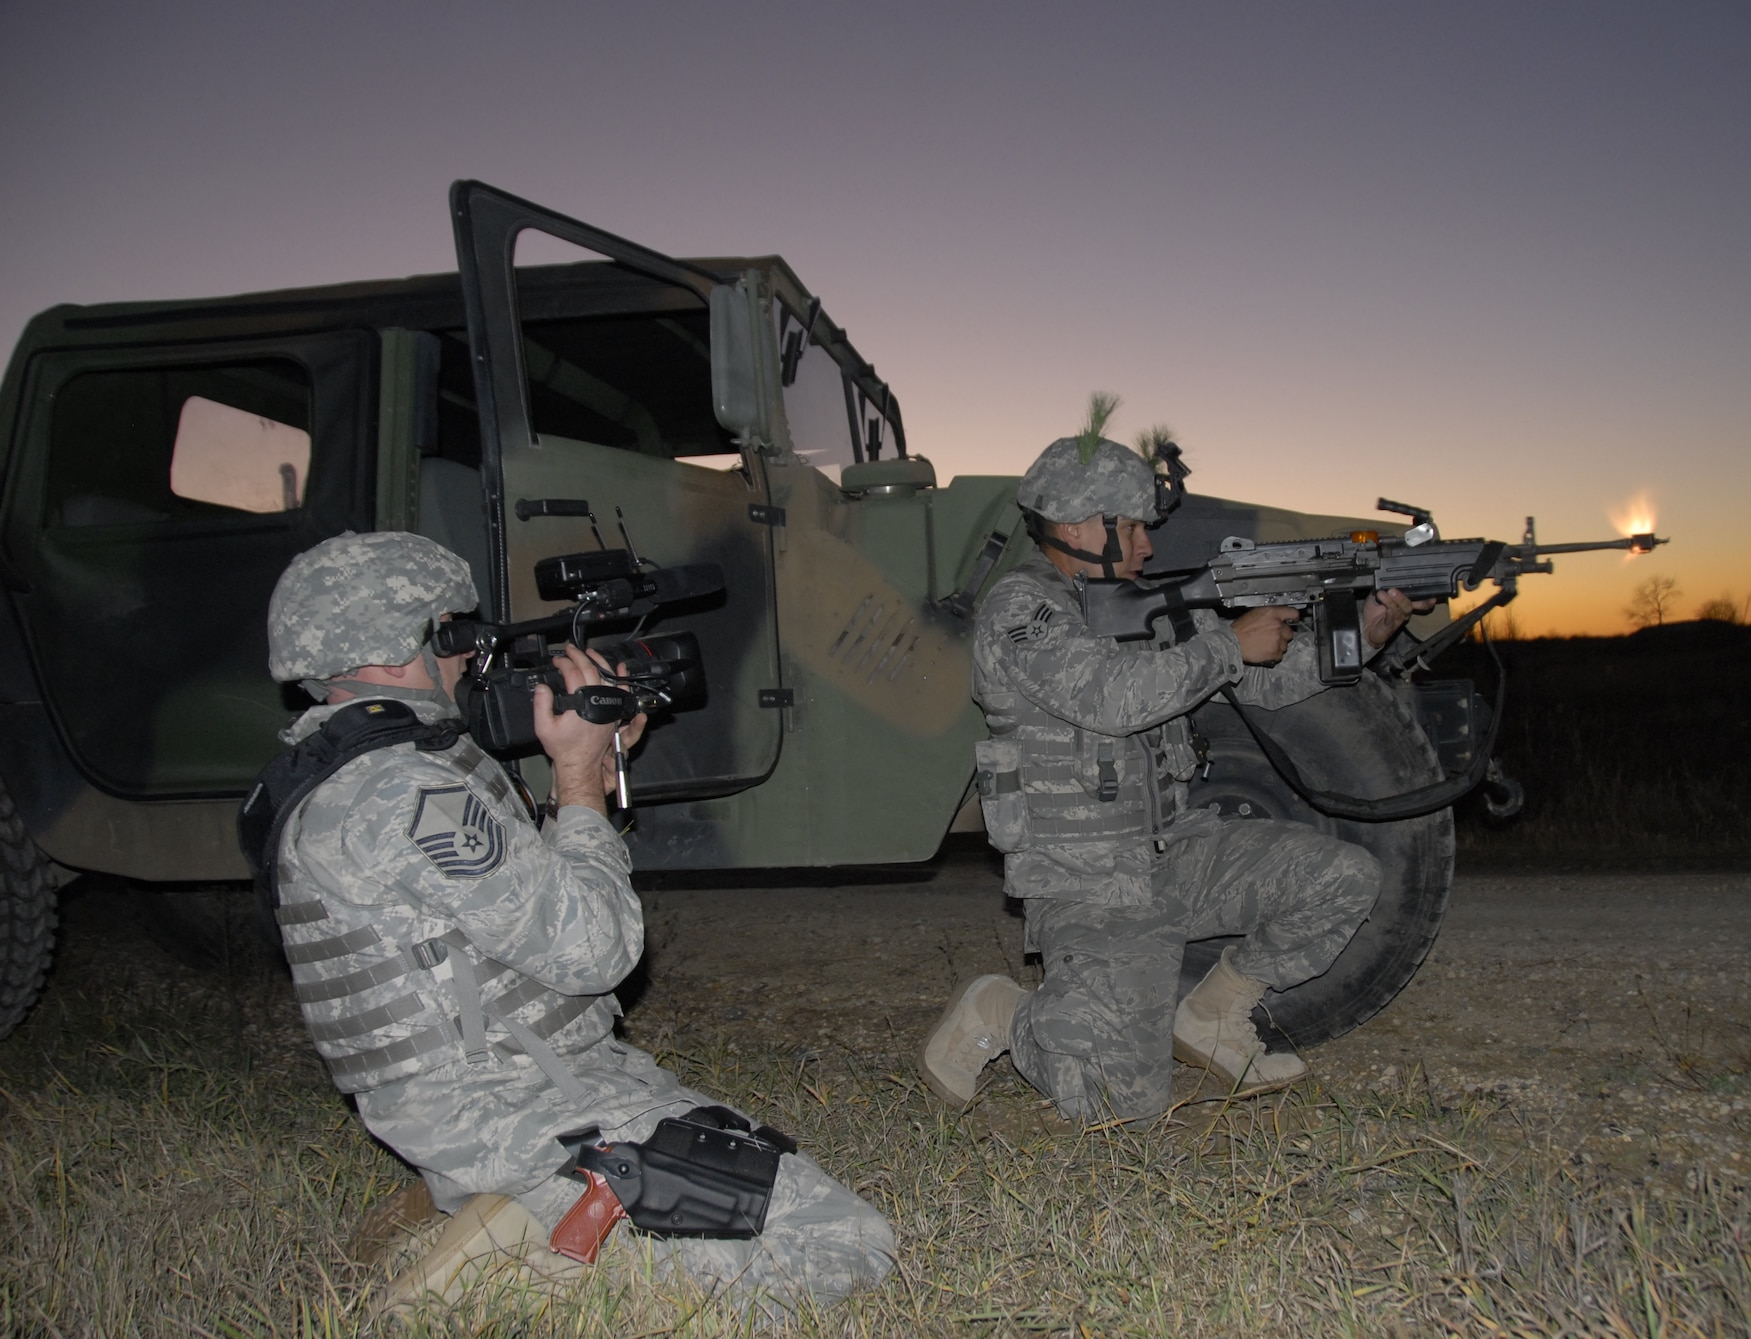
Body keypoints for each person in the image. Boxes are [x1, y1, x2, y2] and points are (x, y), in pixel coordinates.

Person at [260, 530, 894, 1317]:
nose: (469, 654)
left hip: (535, 1074)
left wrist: (590, 769)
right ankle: (507, 1274)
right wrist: (575, 777)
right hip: (503, 1103)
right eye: (451, 632)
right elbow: (593, 950)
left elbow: (514, 908)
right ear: (400, 643)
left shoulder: (371, 769)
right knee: (848, 1248)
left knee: (753, 1164)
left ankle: (506, 1214)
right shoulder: (400, 790)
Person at [918, 423, 1426, 1124]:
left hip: (1171, 852)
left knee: (1343, 877)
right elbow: (1110, 698)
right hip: (1087, 880)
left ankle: (1214, 1013)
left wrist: (1368, 630)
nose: (1149, 545)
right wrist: (1226, 642)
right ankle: (1006, 1013)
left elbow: (1267, 683)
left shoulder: (1142, 607)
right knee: (1119, 1108)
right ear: (1075, 524)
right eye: (1130, 527)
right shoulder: (1020, 610)